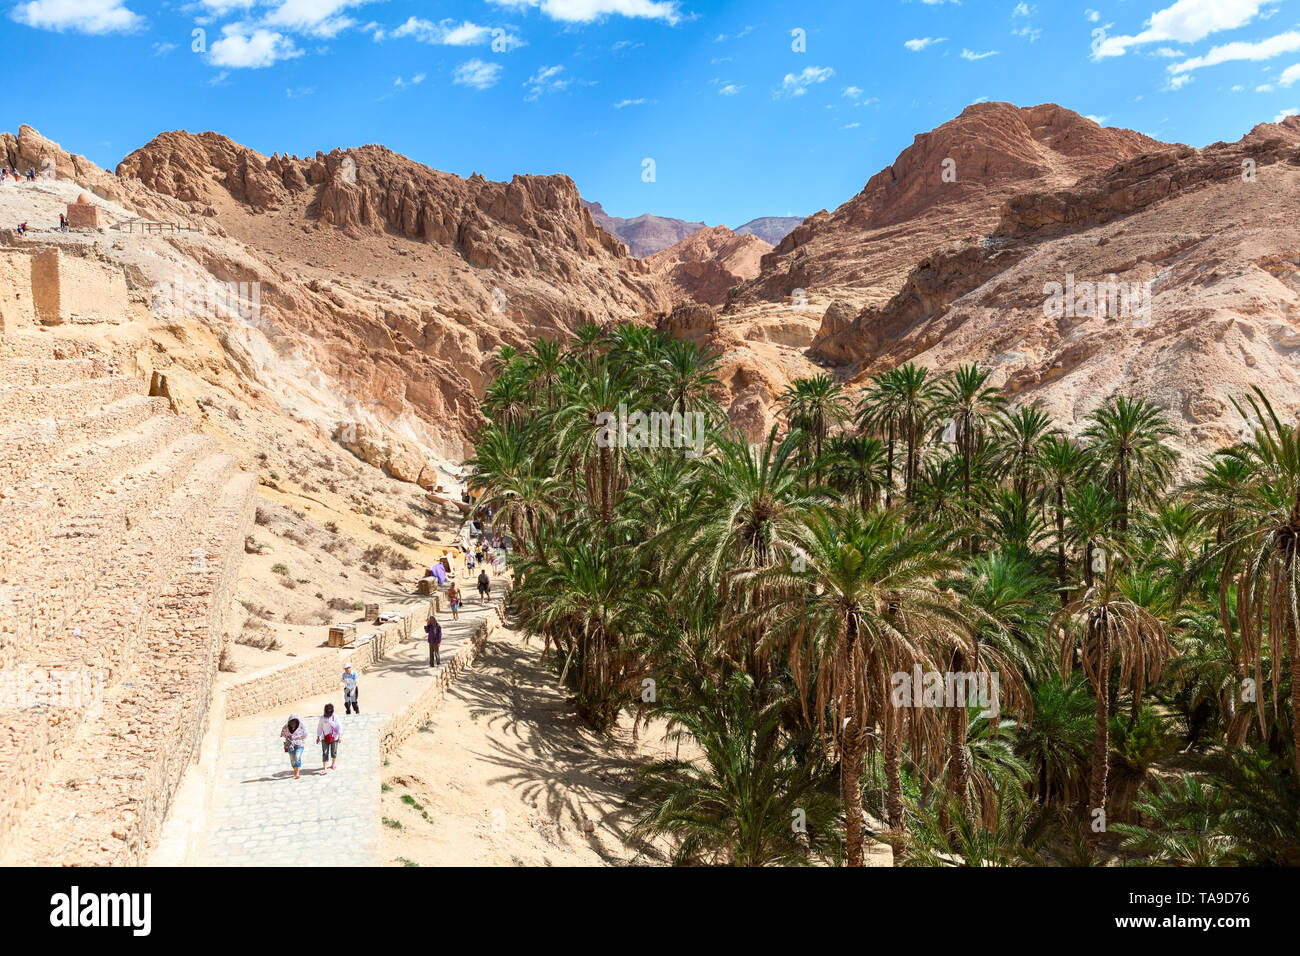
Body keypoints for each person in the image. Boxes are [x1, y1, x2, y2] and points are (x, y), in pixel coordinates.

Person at [316, 703, 341, 774]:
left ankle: (333, 764)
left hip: (334, 737)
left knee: (334, 751)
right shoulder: (322, 718)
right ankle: (325, 769)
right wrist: (318, 736)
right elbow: (319, 727)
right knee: (325, 752)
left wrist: (339, 736)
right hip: (325, 737)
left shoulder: (335, 717)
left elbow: (339, 727)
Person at [280, 713, 307, 779]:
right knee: (292, 759)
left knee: (297, 757)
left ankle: (297, 773)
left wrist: (297, 737)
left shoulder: (301, 726)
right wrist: (288, 738)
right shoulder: (286, 727)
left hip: (299, 744)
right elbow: (283, 734)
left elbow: (305, 734)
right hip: (290, 745)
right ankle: (295, 771)